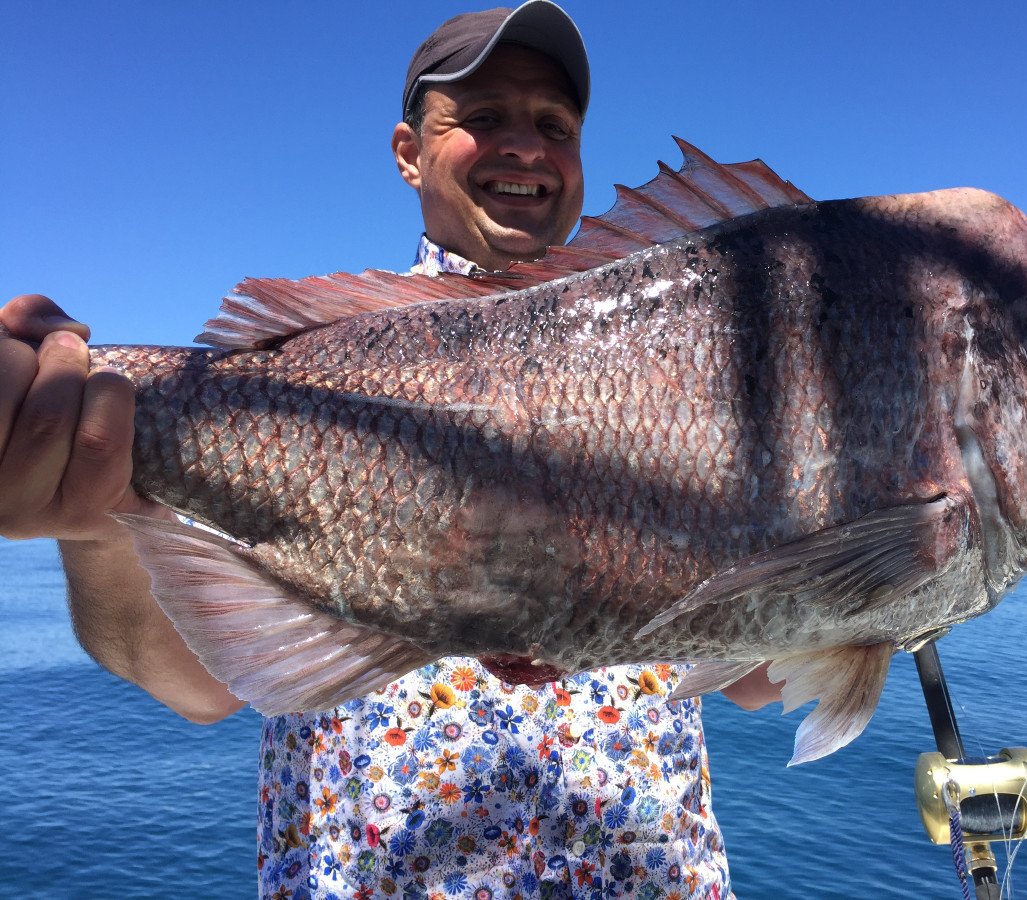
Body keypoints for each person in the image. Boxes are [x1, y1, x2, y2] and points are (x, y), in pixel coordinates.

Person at [0, 3, 779, 897]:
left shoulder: (687, 367)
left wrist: (907, 559)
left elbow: (756, 679)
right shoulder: (321, 364)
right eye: (482, 118)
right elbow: (202, 688)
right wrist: (96, 525)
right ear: (409, 152)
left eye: (554, 125)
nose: (526, 145)